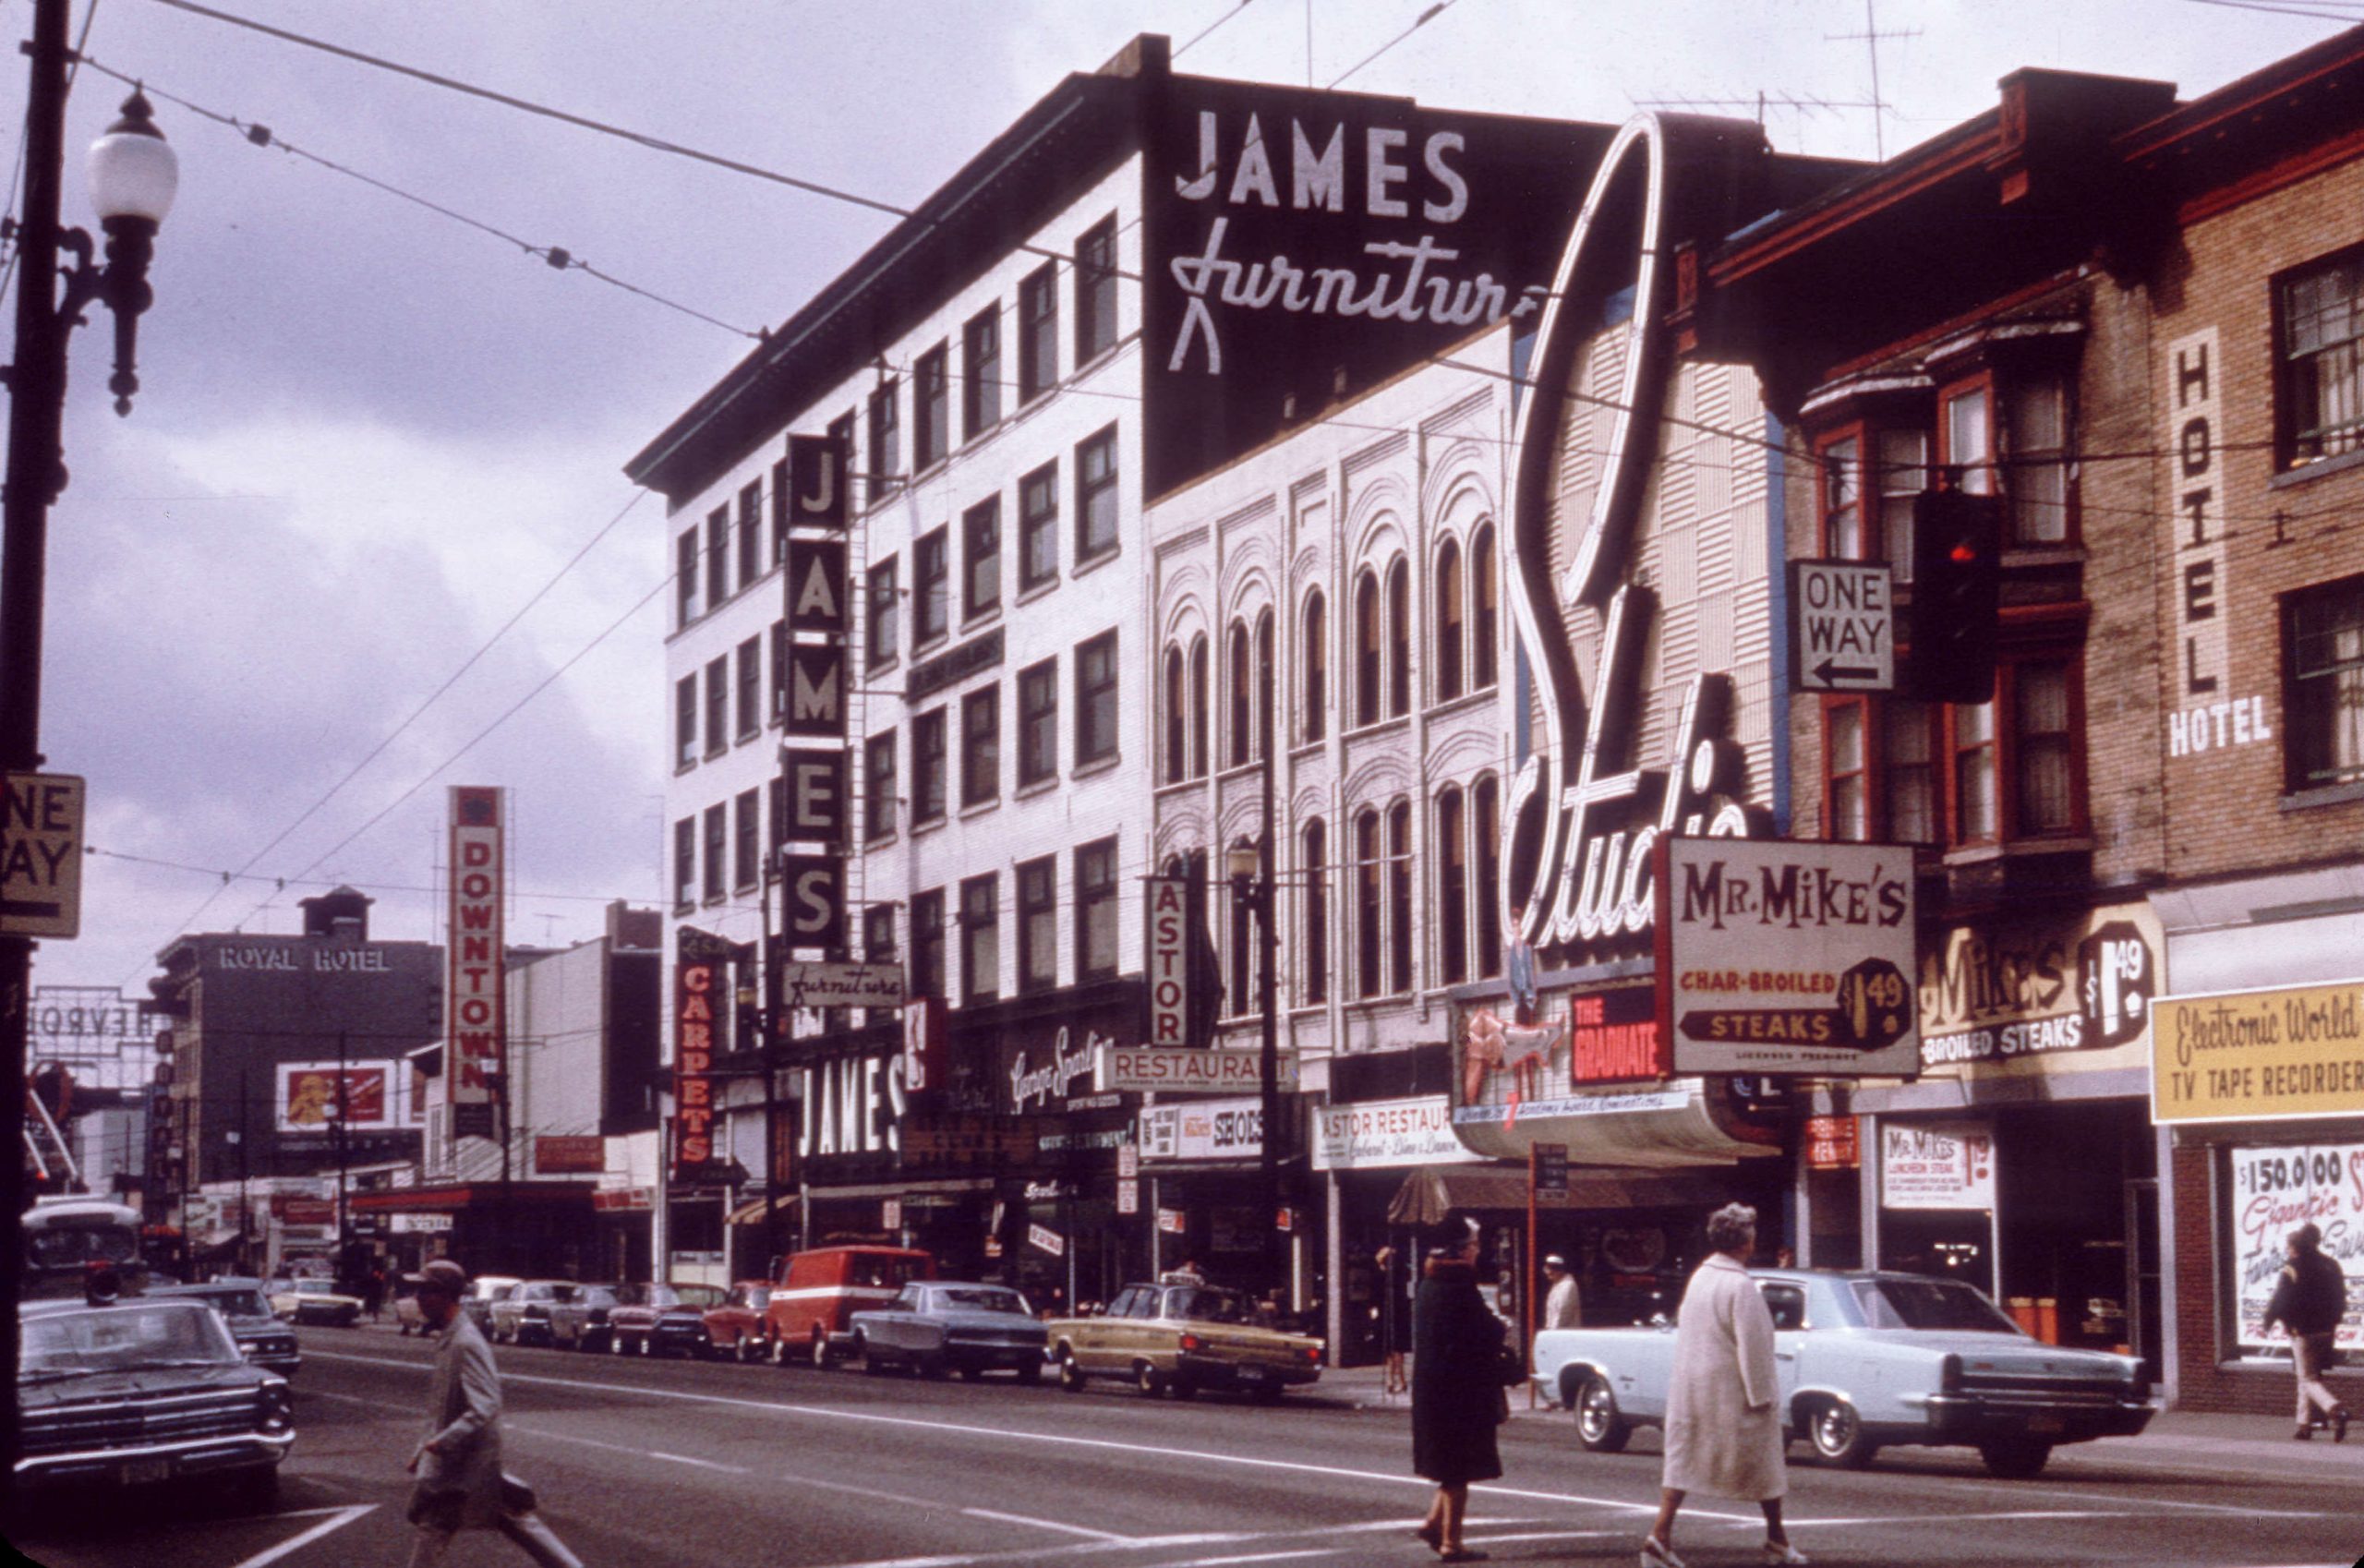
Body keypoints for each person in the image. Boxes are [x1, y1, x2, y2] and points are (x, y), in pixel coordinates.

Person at [1642, 1203, 1804, 1568]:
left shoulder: (1700, 1276)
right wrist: (1763, 1396)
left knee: (1683, 1464)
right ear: (1746, 1240)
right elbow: (1756, 1345)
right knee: (1766, 1466)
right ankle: (1776, 1540)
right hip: (1733, 1392)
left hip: (1693, 1389)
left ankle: (1660, 1535)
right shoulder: (1739, 1285)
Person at [405, 1259, 584, 1568]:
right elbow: (441, 1407)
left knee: (433, 1525)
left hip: (460, 1462)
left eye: (425, 1292)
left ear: (445, 1295)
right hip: (464, 1462)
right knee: (510, 1517)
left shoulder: (465, 1342)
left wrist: (441, 1443)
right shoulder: (451, 1337)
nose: (418, 1299)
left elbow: (486, 1404)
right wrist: (422, 1449)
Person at [1410, 1224, 1505, 1563]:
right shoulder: (1460, 1284)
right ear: (1461, 1249)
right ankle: (1452, 1543)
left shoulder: (1428, 1282)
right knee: (1458, 1468)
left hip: (1431, 1387)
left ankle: (1433, 1523)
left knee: (1449, 1465)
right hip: (1458, 1390)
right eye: (1475, 1244)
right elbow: (1485, 1330)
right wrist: (1500, 1326)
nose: (1478, 1250)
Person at [2262, 1222, 2349, 1441]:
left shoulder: (2293, 1266)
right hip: (2326, 1330)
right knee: (2306, 1376)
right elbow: (2340, 1298)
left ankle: (2335, 1409)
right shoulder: (2331, 1265)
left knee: (2308, 1379)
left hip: (2302, 1331)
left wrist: (2269, 1320)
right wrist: (2334, 1321)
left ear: (2298, 1245)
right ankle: (2304, 1426)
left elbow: (2282, 1298)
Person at [1542, 1254, 1582, 1331]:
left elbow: (1563, 1314)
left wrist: (1552, 1333)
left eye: (1553, 1270)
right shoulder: (1556, 1285)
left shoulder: (1568, 1286)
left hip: (1565, 1333)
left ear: (1560, 1271)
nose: (1548, 1273)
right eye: (1547, 1269)